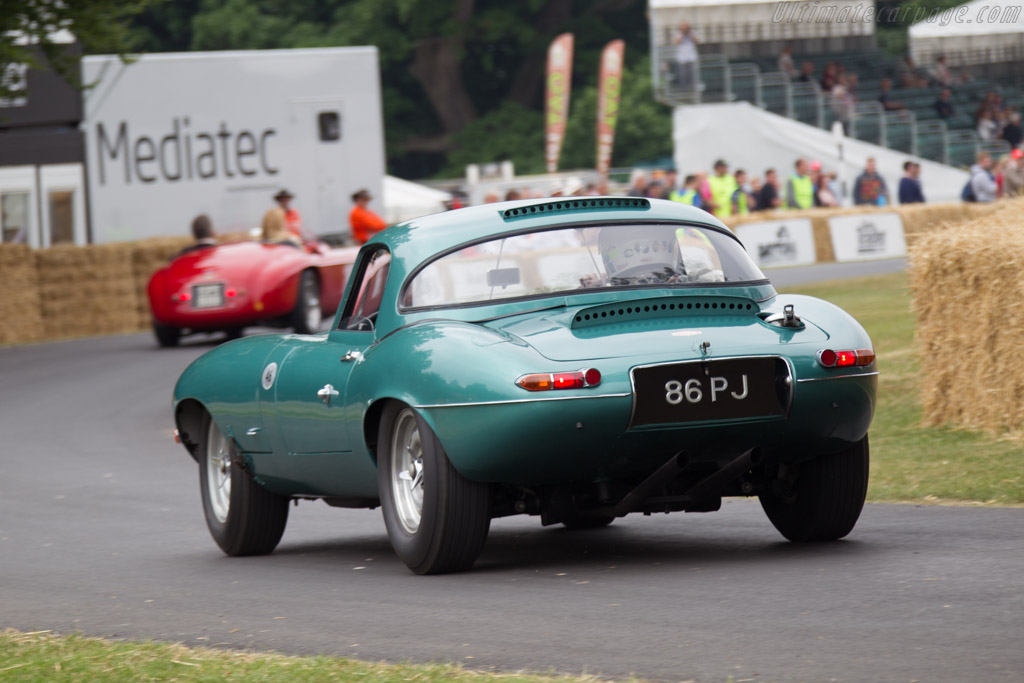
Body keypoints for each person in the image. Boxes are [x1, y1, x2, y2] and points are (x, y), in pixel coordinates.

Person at [673, 21, 700, 94]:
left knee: (692, 75)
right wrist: (682, 34)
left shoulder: (692, 33)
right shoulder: (678, 34)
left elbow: (697, 41)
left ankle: (692, 90)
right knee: (682, 75)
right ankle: (683, 91)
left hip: (691, 57)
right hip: (682, 58)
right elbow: (677, 42)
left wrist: (690, 35)